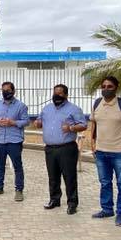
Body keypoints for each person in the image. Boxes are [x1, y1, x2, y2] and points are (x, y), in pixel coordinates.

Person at [33, 84, 86, 214]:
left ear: (66, 95)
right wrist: (37, 123)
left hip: (67, 148)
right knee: (53, 176)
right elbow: (39, 121)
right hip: (50, 149)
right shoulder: (47, 108)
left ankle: (72, 203)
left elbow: (83, 125)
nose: (57, 95)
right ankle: (54, 199)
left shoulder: (74, 109)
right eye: (55, 93)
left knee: (69, 177)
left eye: (60, 93)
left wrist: (71, 128)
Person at [89, 75, 121, 225]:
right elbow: (93, 124)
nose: (106, 89)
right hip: (101, 152)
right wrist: (92, 143)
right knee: (105, 182)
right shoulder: (97, 103)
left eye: (109, 87)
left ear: (116, 88)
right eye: (103, 87)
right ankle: (107, 209)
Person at [0, 81, 29, 201]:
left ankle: (19, 190)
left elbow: (26, 121)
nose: (5, 92)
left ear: (13, 91)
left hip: (14, 140)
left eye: (8, 90)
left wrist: (13, 122)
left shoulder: (21, 106)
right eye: (3, 90)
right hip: (0, 140)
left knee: (17, 166)